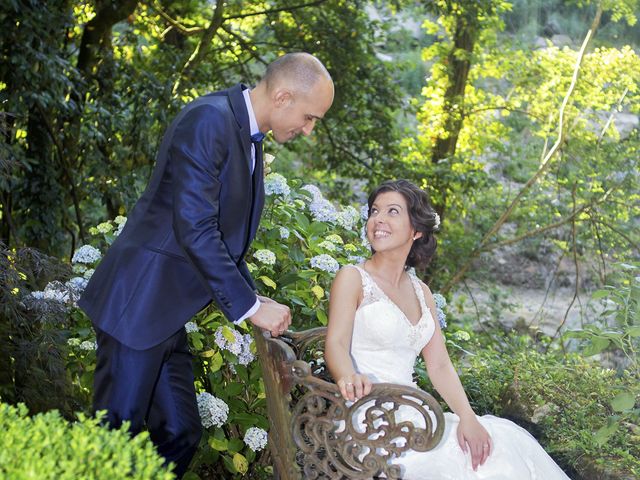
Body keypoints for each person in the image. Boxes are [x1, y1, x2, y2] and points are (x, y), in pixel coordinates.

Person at [78, 53, 334, 478]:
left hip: (164, 316)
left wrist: (252, 295)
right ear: (284, 95)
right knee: (112, 439)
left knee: (179, 431)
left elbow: (222, 239)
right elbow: (194, 229)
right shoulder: (209, 121)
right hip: (136, 306)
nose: (308, 130)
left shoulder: (245, 132)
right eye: (309, 118)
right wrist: (250, 309)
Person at [324, 179, 570, 479]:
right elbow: (335, 343)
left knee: (501, 444)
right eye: (375, 211)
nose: (379, 220)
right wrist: (348, 376)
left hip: (414, 413)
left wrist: (468, 417)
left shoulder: (421, 292)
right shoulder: (352, 277)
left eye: (392, 211)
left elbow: (439, 364)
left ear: (417, 230)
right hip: (368, 417)